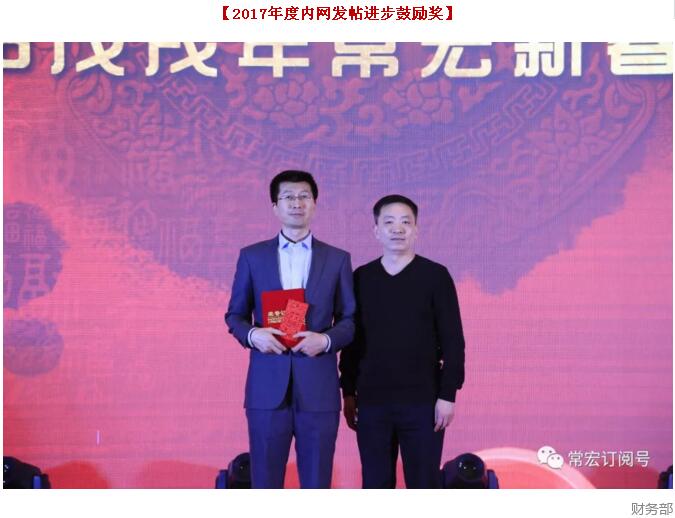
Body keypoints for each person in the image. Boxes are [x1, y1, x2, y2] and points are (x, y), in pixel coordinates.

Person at [225, 170, 356, 489]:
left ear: (314, 204)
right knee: (265, 482)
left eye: (304, 196)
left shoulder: (337, 259)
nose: (297, 203)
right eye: (288, 197)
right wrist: (253, 335)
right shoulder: (252, 256)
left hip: (318, 388)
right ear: (275, 207)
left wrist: (325, 340)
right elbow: (235, 316)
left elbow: (350, 320)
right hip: (267, 387)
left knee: (317, 482)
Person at [339, 194, 465, 489]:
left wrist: (448, 395)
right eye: (389, 222)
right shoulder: (361, 277)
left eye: (405, 222)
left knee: (423, 483)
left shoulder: (435, 276)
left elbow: (453, 341)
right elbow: (352, 341)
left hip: (423, 402)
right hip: (372, 402)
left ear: (416, 230)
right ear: (376, 231)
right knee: (375, 483)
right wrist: (348, 391)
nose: (398, 229)